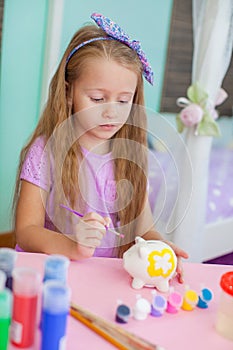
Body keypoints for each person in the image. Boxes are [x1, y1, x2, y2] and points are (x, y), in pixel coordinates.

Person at [13, 13, 188, 282]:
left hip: (105, 280)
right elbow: (26, 229)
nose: (111, 112)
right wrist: (73, 245)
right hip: (52, 276)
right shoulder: (45, 151)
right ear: (69, 92)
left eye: (123, 101)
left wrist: (159, 248)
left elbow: (145, 228)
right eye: (97, 98)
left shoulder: (131, 156)